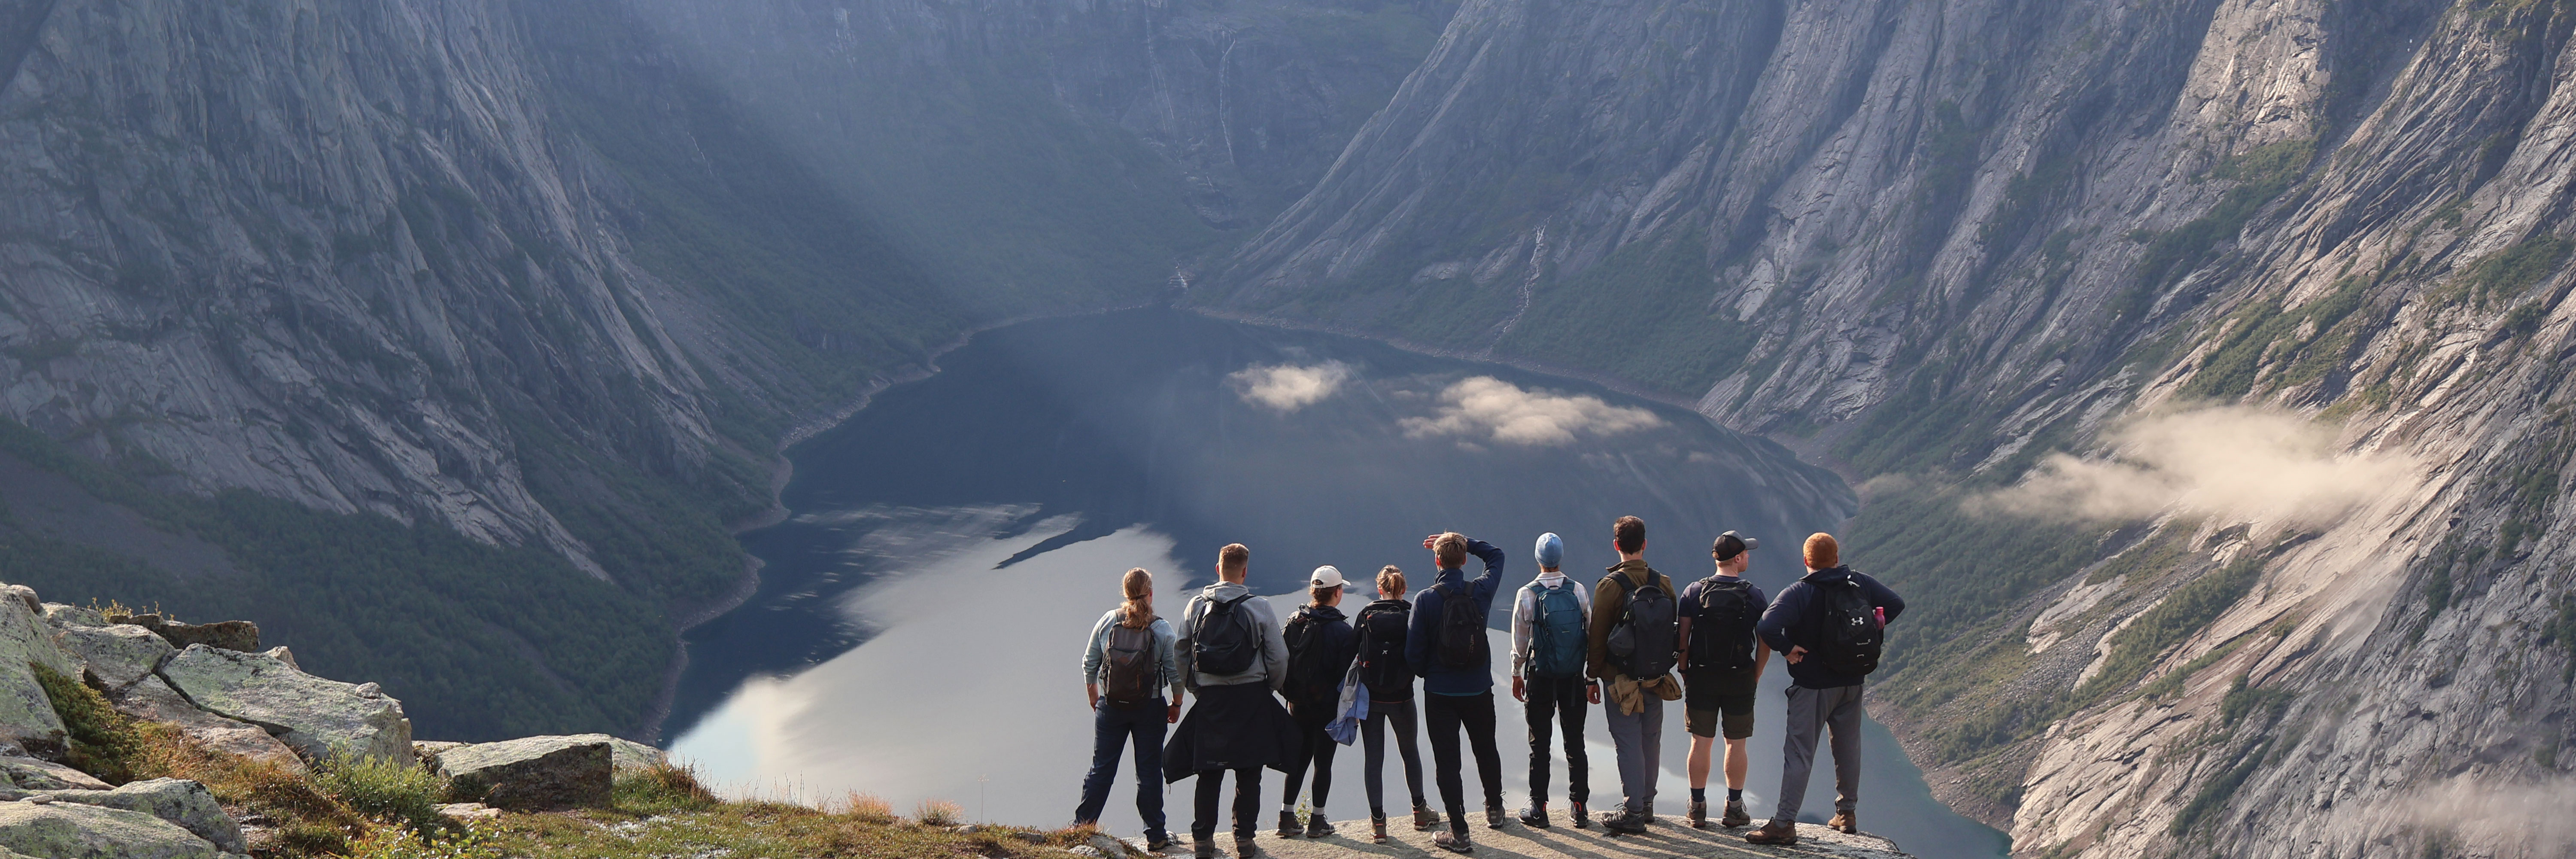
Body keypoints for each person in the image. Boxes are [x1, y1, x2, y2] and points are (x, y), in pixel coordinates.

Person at [1744, 533, 1904, 847]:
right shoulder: (1860, 583)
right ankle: (1847, 814)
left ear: (1806, 561)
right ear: (1836, 557)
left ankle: (1784, 823)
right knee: (1848, 748)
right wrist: (1874, 625)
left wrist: (1789, 648)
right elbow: (1896, 604)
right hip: (1852, 682)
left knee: (1800, 754)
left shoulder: (1799, 592)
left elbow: (1766, 626)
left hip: (1814, 686)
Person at [1165, 544, 1299, 859]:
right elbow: (1279, 658)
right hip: (1251, 699)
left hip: (1212, 700)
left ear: (1217, 569)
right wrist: (1269, 689)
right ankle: (1245, 841)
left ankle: (1202, 842)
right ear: (1245, 572)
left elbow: (1180, 653)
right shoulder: (1259, 607)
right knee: (1249, 773)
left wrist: (1197, 688)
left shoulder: (1195, 606)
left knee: (1209, 773)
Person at [1404, 532, 1507, 854]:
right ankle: (1494, 810)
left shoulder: (1425, 599)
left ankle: (1459, 832)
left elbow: (1413, 655)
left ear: (1437, 561)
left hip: (1440, 694)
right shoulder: (1481, 591)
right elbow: (1497, 556)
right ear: (1464, 561)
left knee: (1448, 763)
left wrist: (1430, 674)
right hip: (1479, 689)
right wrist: (1468, 541)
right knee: (1486, 749)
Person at [1586, 515, 1682, 835]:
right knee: (1650, 740)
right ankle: (1648, 804)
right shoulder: (1663, 583)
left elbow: (1598, 637)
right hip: (1656, 678)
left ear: (1616, 546)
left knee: (1627, 742)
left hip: (1620, 682)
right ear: (1644, 544)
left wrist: (1591, 677)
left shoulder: (1610, 587)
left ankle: (1633, 812)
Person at [1077, 568, 1185, 848]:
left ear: (1125, 593)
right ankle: (1156, 836)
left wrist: (1095, 699)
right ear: (1151, 594)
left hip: (1110, 707)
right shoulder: (1162, 630)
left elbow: (1089, 663)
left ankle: (1081, 828)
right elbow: (1176, 675)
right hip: (1149, 708)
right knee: (1148, 771)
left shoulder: (1108, 622)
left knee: (1102, 768)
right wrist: (1176, 704)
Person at [1675, 531, 1769, 829]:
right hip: (1739, 677)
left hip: (1701, 676)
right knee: (1736, 744)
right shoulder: (1754, 595)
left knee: (1701, 742)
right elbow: (1764, 640)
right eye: (1747, 554)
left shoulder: (1693, 592)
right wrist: (1756, 673)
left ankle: (1698, 807)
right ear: (1738, 558)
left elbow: (1684, 636)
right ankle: (1735, 808)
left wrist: (1684, 669)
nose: (1749, 557)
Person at [1507, 532, 1596, 829]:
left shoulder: (1528, 594)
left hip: (1541, 677)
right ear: (1560, 558)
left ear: (1538, 559)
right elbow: (1591, 634)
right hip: (1572, 678)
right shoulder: (1578, 591)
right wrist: (1590, 676)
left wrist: (1516, 673)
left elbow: (1521, 640)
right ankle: (1580, 807)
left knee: (1540, 744)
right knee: (1575, 742)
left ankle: (1538, 807)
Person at [1354, 566, 1440, 842]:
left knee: (1374, 759)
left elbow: (1352, 649)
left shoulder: (1367, 614)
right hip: (1402, 697)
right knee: (1410, 752)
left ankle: (1379, 825)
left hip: (1371, 698)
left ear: (1380, 589)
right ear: (1403, 590)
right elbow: (1421, 652)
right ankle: (1419, 812)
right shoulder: (1411, 614)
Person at [1277, 566, 1359, 839]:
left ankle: (1286, 818)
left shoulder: (1294, 622)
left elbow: (1279, 661)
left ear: (1314, 592)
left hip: (1297, 705)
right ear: (1337, 593)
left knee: (1298, 761)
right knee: (1323, 763)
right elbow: (1347, 676)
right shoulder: (1342, 631)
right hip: (1327, 708)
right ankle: (1317, 820)